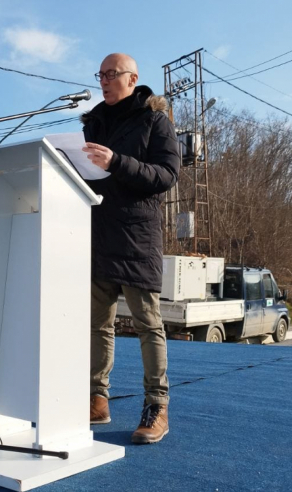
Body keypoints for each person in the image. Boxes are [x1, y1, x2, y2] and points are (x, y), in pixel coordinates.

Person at [81, 53, 180, 445]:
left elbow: (167, 175)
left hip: (137, 239)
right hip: (95, 236)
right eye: (100, 75)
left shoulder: (155, 120)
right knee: (97, 325)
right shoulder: (92, 122)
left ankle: (157, 405)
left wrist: (118, 162)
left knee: (147, 325)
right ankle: (96, 398)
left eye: (111, 74)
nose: (104, 81)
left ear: (132, 78)